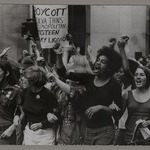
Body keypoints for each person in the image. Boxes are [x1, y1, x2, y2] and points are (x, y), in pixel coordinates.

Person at [52, 45, 123, 145]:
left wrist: (101, 107)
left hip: (105, 131)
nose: (98, 62)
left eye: (103, 62)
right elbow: (63, 73)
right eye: (98, 60)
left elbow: (118, 111)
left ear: (109, 67)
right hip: (88, 130)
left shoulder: (114, 85)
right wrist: (59, 54)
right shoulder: (88, 78)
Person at [20, 66, 59, 145]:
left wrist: (41, 124)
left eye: (25, 78)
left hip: (45, 135)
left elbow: (57, 116)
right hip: (29, 133)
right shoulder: (24, 92)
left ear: (33, 81)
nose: (22, 79)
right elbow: (22, 111)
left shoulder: (48, 95)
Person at [122, 66, 150, 145]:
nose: (138, 77)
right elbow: (117, 115)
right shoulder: (127, 95)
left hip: (148, 139)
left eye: (141, 75)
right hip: (130, 139)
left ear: (147, 78)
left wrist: (149, 122)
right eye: (136, 75)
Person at [0, 59, 24, 145]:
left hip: (5, 133)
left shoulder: (16, 91)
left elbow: (23, 112)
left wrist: (12, 128)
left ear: (6, 73)